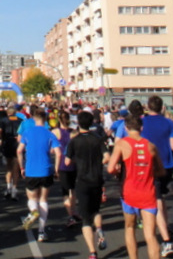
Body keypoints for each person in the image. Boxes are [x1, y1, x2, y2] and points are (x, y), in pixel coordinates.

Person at [107, 114, 164, 259]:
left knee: (130, 227)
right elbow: (161, 171)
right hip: (148, 193)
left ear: (126, 128)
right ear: (142, 128)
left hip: (129, 192)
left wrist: (118, 171)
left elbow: (110, 168)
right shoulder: (151, 146)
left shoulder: (122, 144)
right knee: (150, 235)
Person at [66, 110, 110, 259]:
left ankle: (92, 252)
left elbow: (67, 161)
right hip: (97, 179)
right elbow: (107, 157)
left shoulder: (74, 141)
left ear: (78, 123)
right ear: (91, 123)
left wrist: (76, 161)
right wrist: (98, 163)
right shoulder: (97, 139)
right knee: (96, 209)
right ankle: (99, 229)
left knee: (85, 218)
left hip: (82, 180)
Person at [140, 95, 173, 257]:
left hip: (149, 166)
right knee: (160, 197)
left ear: (148, 107)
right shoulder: (169, 123)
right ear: (162, 107)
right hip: (167, 165)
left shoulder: (142, 122)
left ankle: (167, 241)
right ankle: (166, 227)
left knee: (157, 202)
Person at [17, 108, 60, 243]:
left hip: (31, 170)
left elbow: (19, 150)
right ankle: (41, 231)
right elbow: (58, 153)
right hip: (46, 170)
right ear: (45, 119)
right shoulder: (49, 134)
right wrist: (57, 169)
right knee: (43, 200)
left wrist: (21, 167)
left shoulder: (27, 132)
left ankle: (33, 210)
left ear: (34, 119)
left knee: (32, 197)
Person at [53, 111, 79, 228]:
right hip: (73, 164)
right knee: (72, 190)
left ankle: (70, 216)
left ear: (59, 120)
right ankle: (74, 212)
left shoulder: (56, 132)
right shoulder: (73, 132)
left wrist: (55, 169)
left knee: (65, 192)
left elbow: (52, 150)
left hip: (62, 164)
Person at [0, 107, 23, 201]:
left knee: (8, 167)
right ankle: (14, 190)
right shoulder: (20, 120)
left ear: (7, 113)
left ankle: (8, 187)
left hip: (7, 143)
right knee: (16, 167)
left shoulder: (3, 120)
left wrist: (1, 138)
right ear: (15, 112)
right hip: (17, 143)